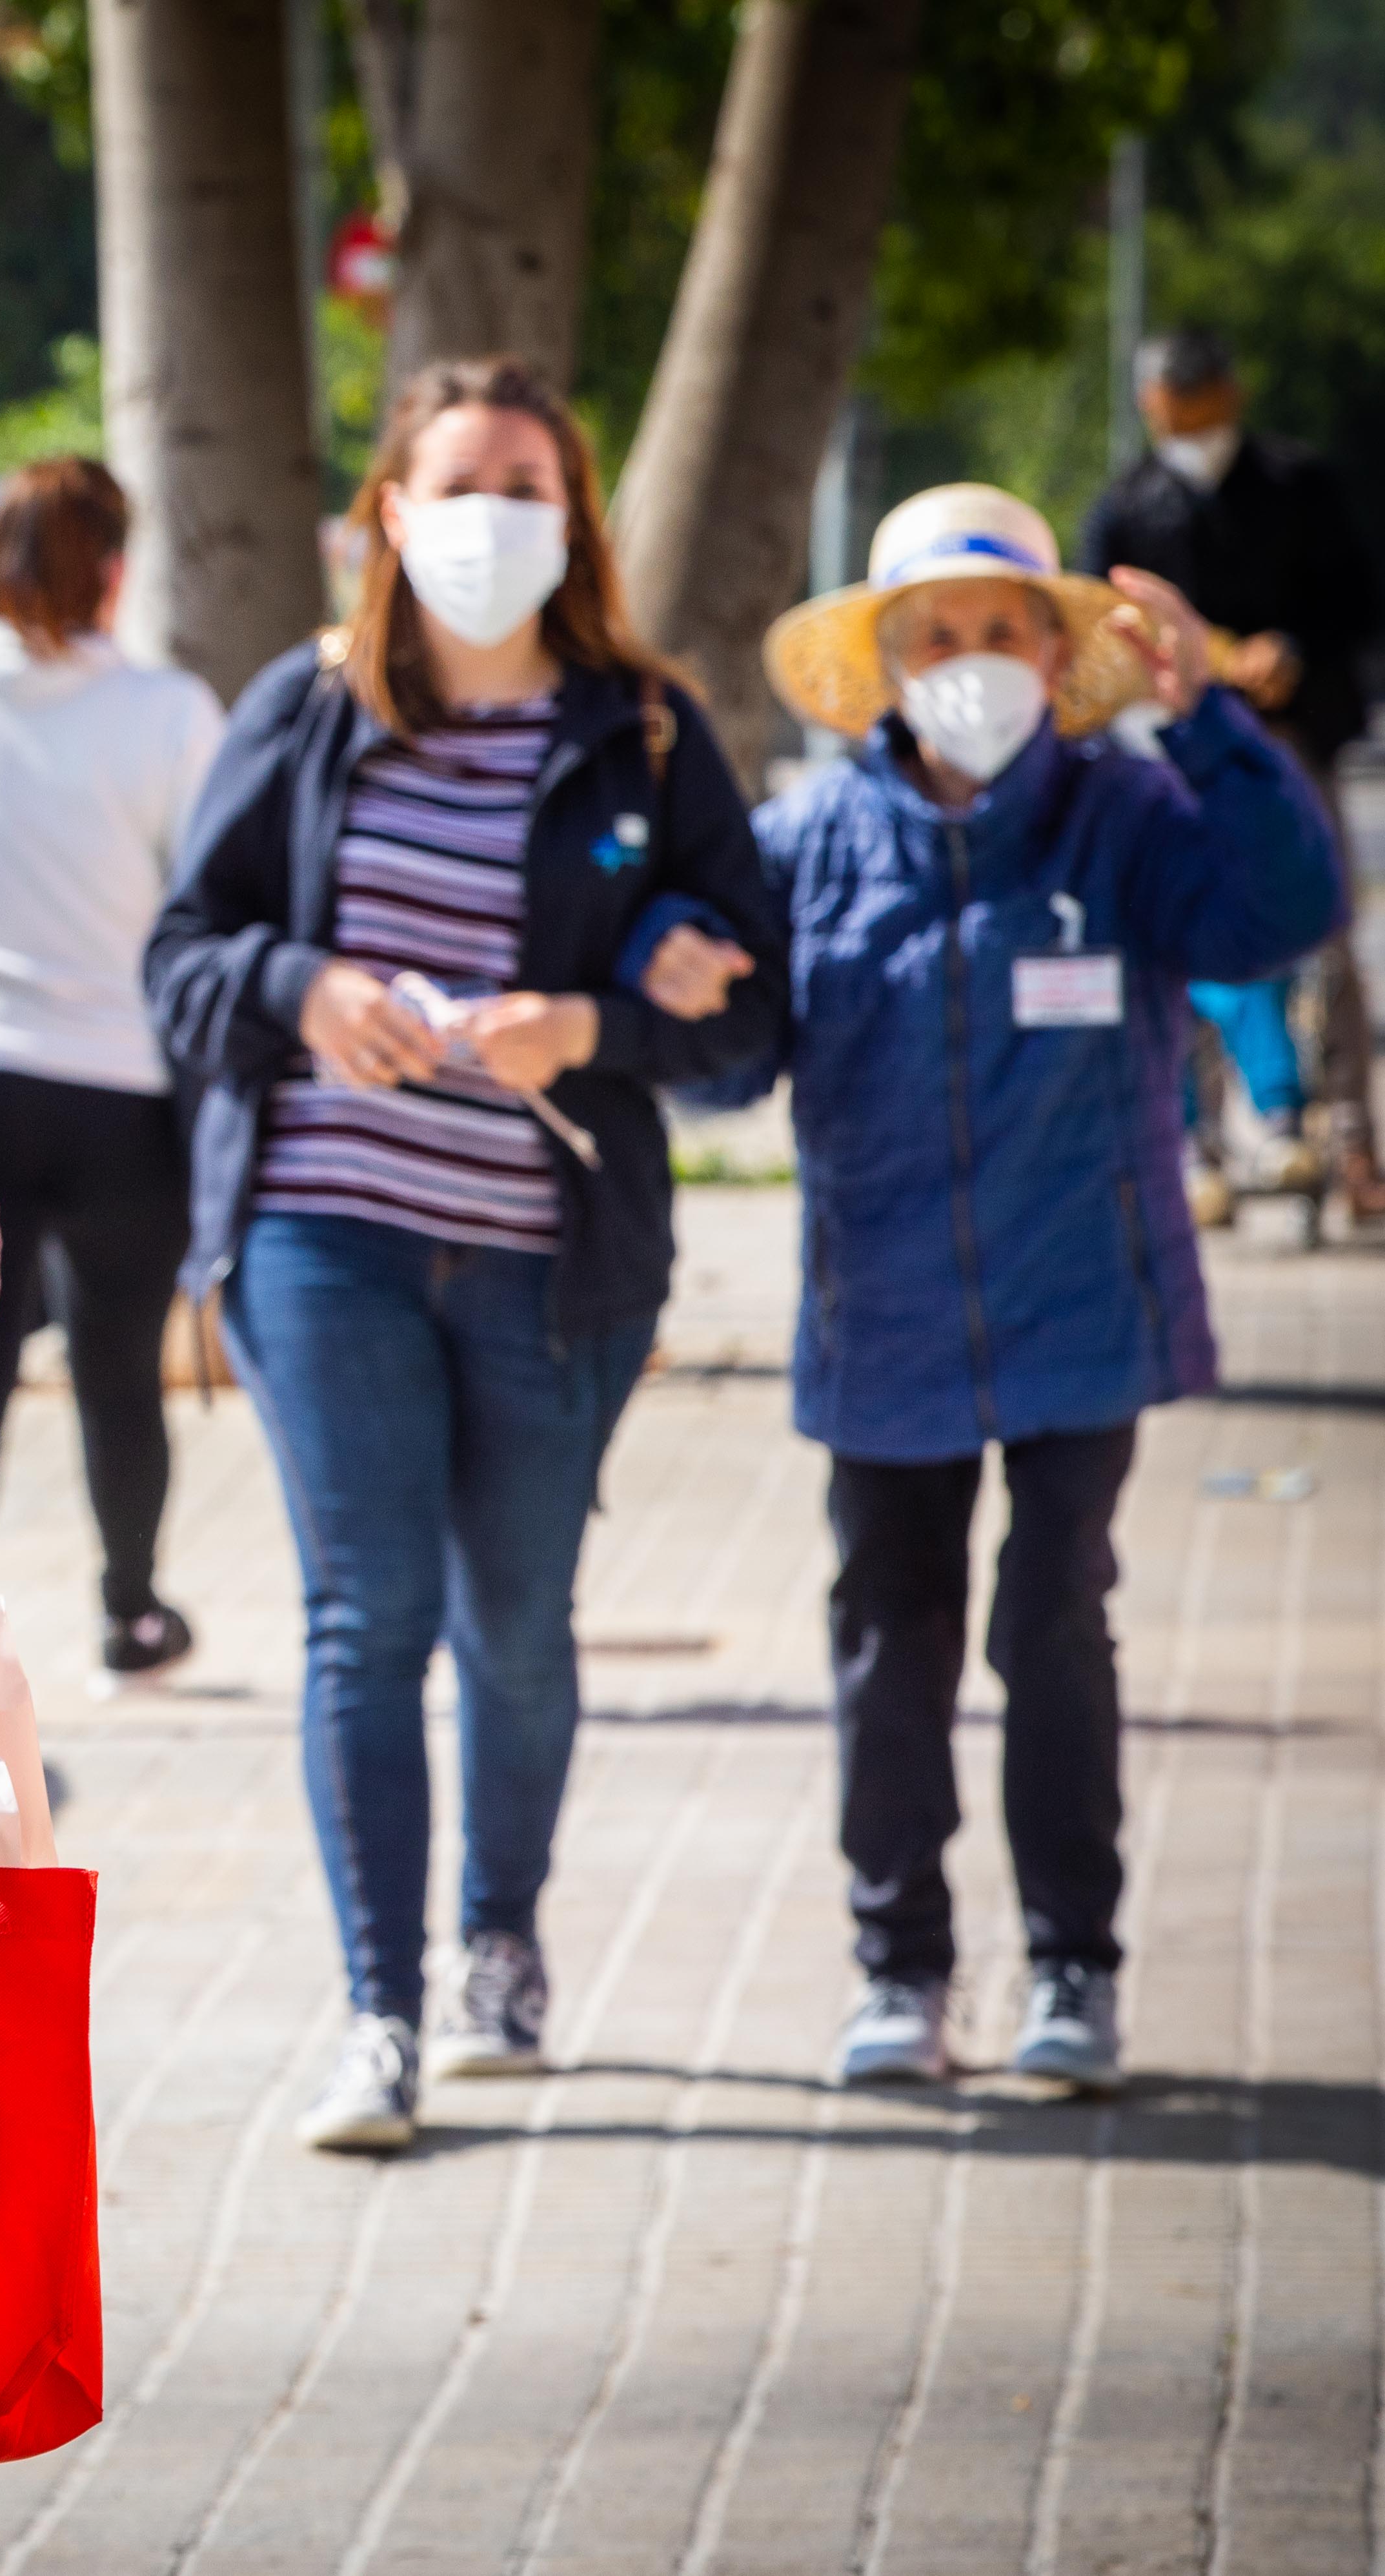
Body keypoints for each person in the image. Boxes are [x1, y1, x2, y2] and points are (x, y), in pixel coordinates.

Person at [144, 356, 786, 2152]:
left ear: (573, 517)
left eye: (528, 486)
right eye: (461, 484)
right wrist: (303, 987)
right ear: (391, 512)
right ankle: (380, 2012)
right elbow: (183, 958)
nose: (493, 517)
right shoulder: (307, 707)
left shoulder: (644, 732)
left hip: (547, 1263)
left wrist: (590, 1026)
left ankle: (499, 1938)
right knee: (368, 1618)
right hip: (320, 1236)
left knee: (514, 1625)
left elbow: (752, 1024)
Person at [743, 482, 1340, 2092]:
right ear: (884, 663)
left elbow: (1284, 912)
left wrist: (1208, 721)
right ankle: (899, 1967)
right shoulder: (805, 843)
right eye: (932, 634)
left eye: (998, 630)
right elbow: (722, 1051)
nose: (967, 662)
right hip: (882, 1312)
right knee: (892, 1632)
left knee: (1052, 1621)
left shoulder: (1127, 815)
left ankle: (1072, 1963)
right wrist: (666, 966)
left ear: (1052, 652)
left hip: (1084, 1302)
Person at [0, 456, 226, 1681]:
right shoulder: (170, 714)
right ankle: (131, 1611)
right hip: (123, 1089)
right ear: (114, 570)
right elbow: (205, 895)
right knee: (118, 1369)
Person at [1082, 324, 1382, 1218]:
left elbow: (1357, 601)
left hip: (1288, 739)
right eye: (1168, 397)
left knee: (1323, 931)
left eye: (1198, 392)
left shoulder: (1299, 485)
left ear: (1231, 390)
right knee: (1181, 936)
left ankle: (1349, 1138)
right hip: (1171, 751)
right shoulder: (1128, 503)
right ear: (1149, 400)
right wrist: (1202, 661)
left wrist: (1287, 652)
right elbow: (1095, 622)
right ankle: (1193, 1144)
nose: (1182, 411)